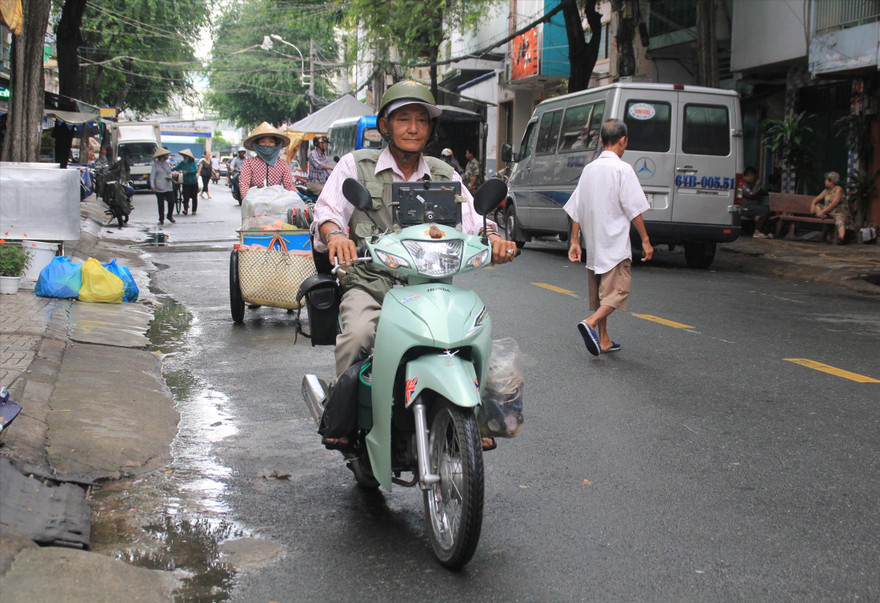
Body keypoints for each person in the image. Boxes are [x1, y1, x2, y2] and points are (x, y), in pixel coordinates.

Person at [313, 80, 518, 448]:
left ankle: (478, 418)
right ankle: (342, 417)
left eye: (421, 120)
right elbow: (327, 214)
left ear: (430, 128)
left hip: (431, 290)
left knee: (476, 331)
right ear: (385, 125)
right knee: (359, 332)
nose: (412, 128)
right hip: (372, 286)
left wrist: (496, 239)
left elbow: (475, 221)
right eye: (403, 119)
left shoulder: (445, 174)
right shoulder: (355, 166)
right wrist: (336, 236)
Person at [565, 119, 654, 357]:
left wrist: (575, 241)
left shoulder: (589, 169)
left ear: (602, 141)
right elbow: (634, 208)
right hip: (614, 245)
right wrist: (645, 240)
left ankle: (604, 340)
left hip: (594, 244)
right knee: (618, 291)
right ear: (623, 140)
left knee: (602, 295)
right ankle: (591, 323)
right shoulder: (622, 169)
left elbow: (577, 207)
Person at [238, 123, 296, 200]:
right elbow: (244, 184)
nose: (267, 144)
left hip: (276, 203)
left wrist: (299, 195)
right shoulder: (249, 163)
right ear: (256, 144)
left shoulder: (282, 164)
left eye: (271, 141)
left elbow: (289, 185)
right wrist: (248, 199)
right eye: (263, 141)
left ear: (276, 144)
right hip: (254, 203)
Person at [810, 171, 850, 244]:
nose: (825, 182)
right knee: (818, 205)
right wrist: (813, 204)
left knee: (840, 221)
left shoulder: (838, 189)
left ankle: (841, 237)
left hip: (839, 211)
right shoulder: (826, 190)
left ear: (831, 181)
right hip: (829, 212)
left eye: (826, 180)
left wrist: (823, 211)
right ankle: (823, 216)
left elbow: (834, 203)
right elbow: (816, 199)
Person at [741, 166, 773, 238]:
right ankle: (757, 231)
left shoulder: (748, 184)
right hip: (745, 208)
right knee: (765, 210)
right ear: (750, 175)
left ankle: (764, 231)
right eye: (754, 177)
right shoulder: (742, 183)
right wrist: (757, 185)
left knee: (766, 210)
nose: (754, 179)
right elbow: (750, 194)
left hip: (752, 208)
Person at [149, 147, 176, 225]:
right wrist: (152, 185)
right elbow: (152, 176)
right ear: (162, 156)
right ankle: (161, 219)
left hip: (168, 186)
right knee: (161, 204)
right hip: (159, 187)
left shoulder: (166, 163)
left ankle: (169, 216)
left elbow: (169, 172)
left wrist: (170, 177)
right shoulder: (155, 165)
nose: (167, 156)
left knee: (171, 201)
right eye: (166, 155)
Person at [176, 148, 200, 215]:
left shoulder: (193, 163)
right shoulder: (182, 163)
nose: (184, 157)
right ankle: (185, 209)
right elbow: (176, 168)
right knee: (185, 197)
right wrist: (168, 170)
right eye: (183, 156)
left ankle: (194, 210)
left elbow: (196, 170)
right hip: (186, 182)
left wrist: (188, 172)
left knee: (194, 197)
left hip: (193, 182)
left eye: (185, 156)